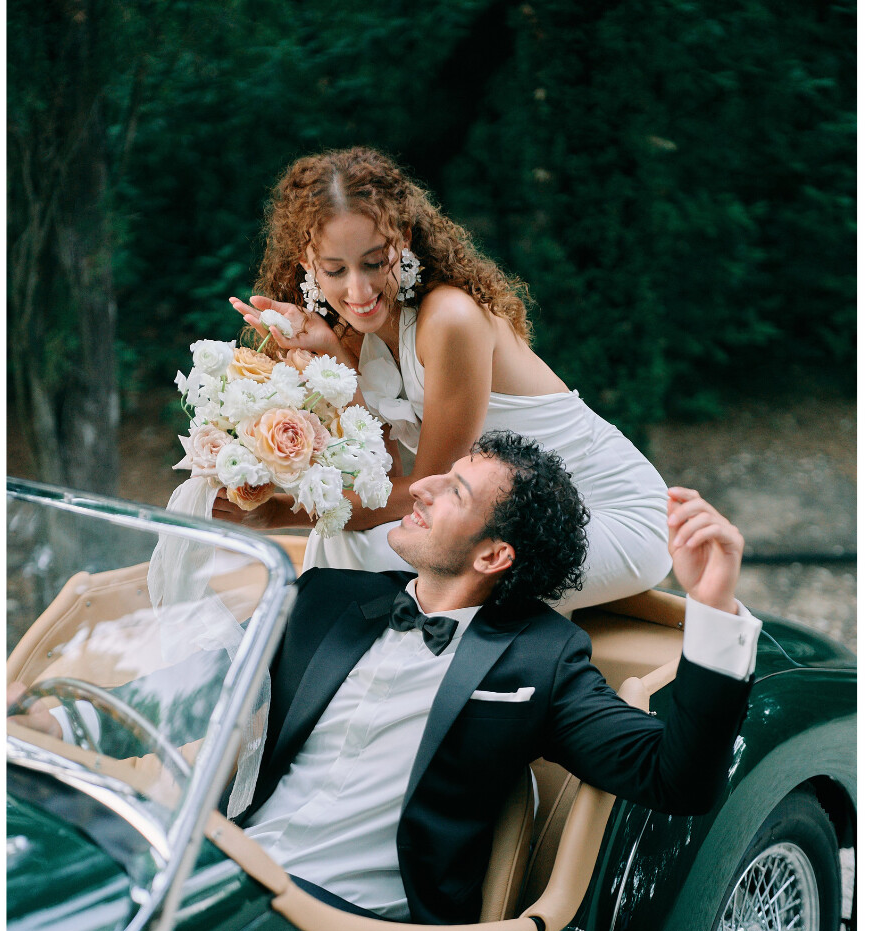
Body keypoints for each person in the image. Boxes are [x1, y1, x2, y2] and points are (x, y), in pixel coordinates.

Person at [236, 429, 754, 925]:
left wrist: (713, 610)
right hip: (222, 873)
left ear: (492, 555)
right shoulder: (324, 597)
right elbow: (197, 685)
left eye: (453, 491)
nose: (419, 487)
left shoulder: (539, 660)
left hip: (349, 925)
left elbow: (675, 779)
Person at [219, 147, 672, 614]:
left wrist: (280, 511)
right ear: (307, 263)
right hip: (488, 514)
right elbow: (384, 479)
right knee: (351, 545)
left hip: (606, 513)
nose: (358, 291)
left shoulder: (449, 319)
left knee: (363, 552)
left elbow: (425, 487)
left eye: (375, 262)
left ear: (405, 238)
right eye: (335, 270)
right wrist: (335, 359)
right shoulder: (353, 332)